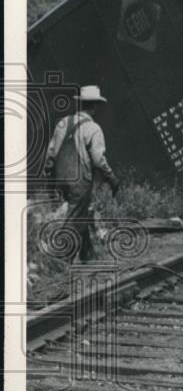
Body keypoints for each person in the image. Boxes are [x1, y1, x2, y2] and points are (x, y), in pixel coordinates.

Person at [43, 85, 120, 263]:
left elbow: (51, 153)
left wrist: (50, 177)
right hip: (79, 181)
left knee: (81, 213)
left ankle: (87, 254)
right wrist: (112, 178)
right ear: (94, 106)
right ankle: (62, 260)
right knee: (75, 216)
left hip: (60, 177)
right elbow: (98, 159)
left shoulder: (63, 122)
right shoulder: (93, 128)